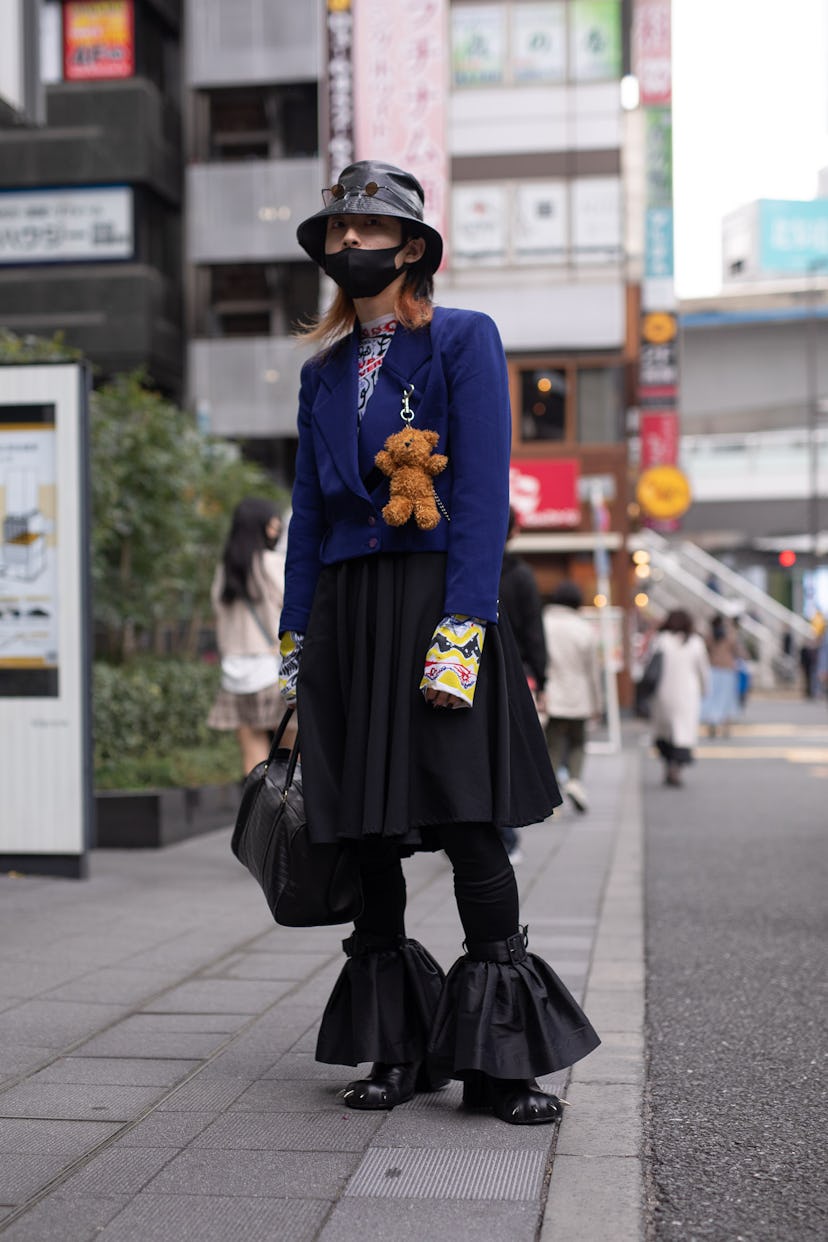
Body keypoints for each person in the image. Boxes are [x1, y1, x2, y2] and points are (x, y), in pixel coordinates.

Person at [277, 160, 599, 1125]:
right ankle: (395, 1050)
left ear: (411, 246)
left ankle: (504, 1065)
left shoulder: (463, 340)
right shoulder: (322, 371)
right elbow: (306, 512)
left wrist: (464, 627)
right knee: (367, 832)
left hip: (435, 606)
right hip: (348, 612)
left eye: (366, 229)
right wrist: (295, 640)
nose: (347, 246)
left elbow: (484, 496)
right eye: (335, 233)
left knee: (466, 824)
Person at [207, 498, 292, 775]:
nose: (276, 526)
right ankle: (289, 817)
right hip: (271, 670)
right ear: (264, 526)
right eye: (272, 521)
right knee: (291, 757)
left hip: (236, 673)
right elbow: (294, 607)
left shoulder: (225, 571)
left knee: (253, 759)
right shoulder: (270, 564)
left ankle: (259, 815)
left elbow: (219, 617)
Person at [497, 506, 549, 860]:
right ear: (514, 533)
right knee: (508, 753)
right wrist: (542, 678)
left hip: (462, 670)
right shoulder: (521, 576)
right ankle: (507, 835)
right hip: (515, 675)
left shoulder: (458, 566)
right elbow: (533, 633)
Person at [542, 581, 602, 812]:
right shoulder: (584, 628)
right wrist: (598, 702)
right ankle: (575, 781)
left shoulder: (543, 623)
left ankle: (553, 789)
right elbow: (593, 671)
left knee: (552, 743)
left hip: (552, 693)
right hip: (580, 695)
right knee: (578, 742)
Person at [648, 609, 710, 787]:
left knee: (666, 733)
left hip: (663, 693)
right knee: (683, 734)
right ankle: (677, 769)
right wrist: (705, 690)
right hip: (688, 695)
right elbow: (703, 671)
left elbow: (650, 665)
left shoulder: (661, 640)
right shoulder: (696, 643)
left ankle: (668, 766)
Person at [700, 614, 742, 737]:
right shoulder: (729, 636)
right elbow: (738, 651)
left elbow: (705, 651)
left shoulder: (709, 636)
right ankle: (726, 727)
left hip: (713, 669)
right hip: (727, 670)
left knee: (712, 698)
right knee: (726, 700)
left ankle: (712, 724)